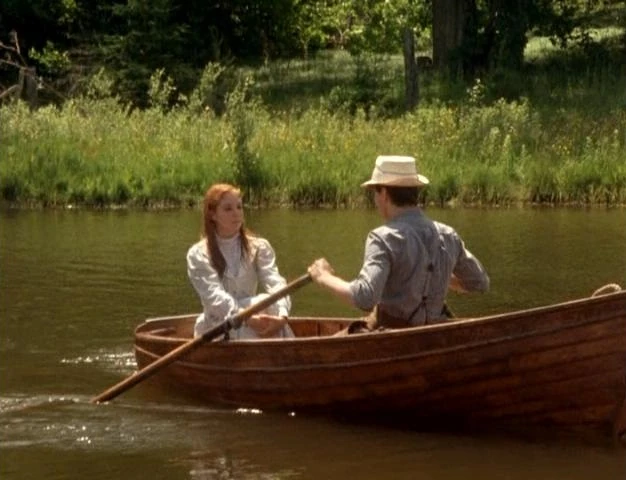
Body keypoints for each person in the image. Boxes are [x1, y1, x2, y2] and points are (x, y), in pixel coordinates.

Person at [308, 155, 489, 329]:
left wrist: (323, 277)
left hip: (392, 337)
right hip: (436, 334)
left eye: (375, 193)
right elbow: (478, 282)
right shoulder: (448, 234)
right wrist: (434, 275)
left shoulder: (383, 238)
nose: (375, 200)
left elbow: (365, 297)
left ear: (384, 193)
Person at [187, 183, 294, 340]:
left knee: (267, 302)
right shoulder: (198, 254)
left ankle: (275, 340)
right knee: (258, 308)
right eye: (228, 209)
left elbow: (275, 282)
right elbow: (214, 297)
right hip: (219, 325)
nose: (236, 213)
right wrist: (247, 318)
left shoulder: (259, 247)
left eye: (239, 207)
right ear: (213, 214)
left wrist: (282, 316)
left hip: (257, 316)